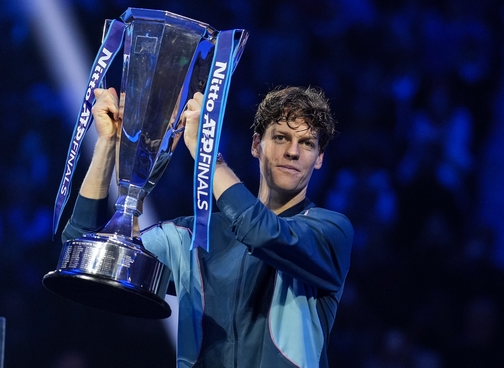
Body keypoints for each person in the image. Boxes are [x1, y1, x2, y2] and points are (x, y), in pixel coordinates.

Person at [61, 85, 354, 367]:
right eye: (280, 137)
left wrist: (209, 156)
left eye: (307, 143)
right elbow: (85, 258)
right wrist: (107, 147)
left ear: (318, 159)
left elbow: (260, 232)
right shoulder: (194, 236)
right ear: (256, 145)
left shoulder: (329, 232)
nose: (293, 152)